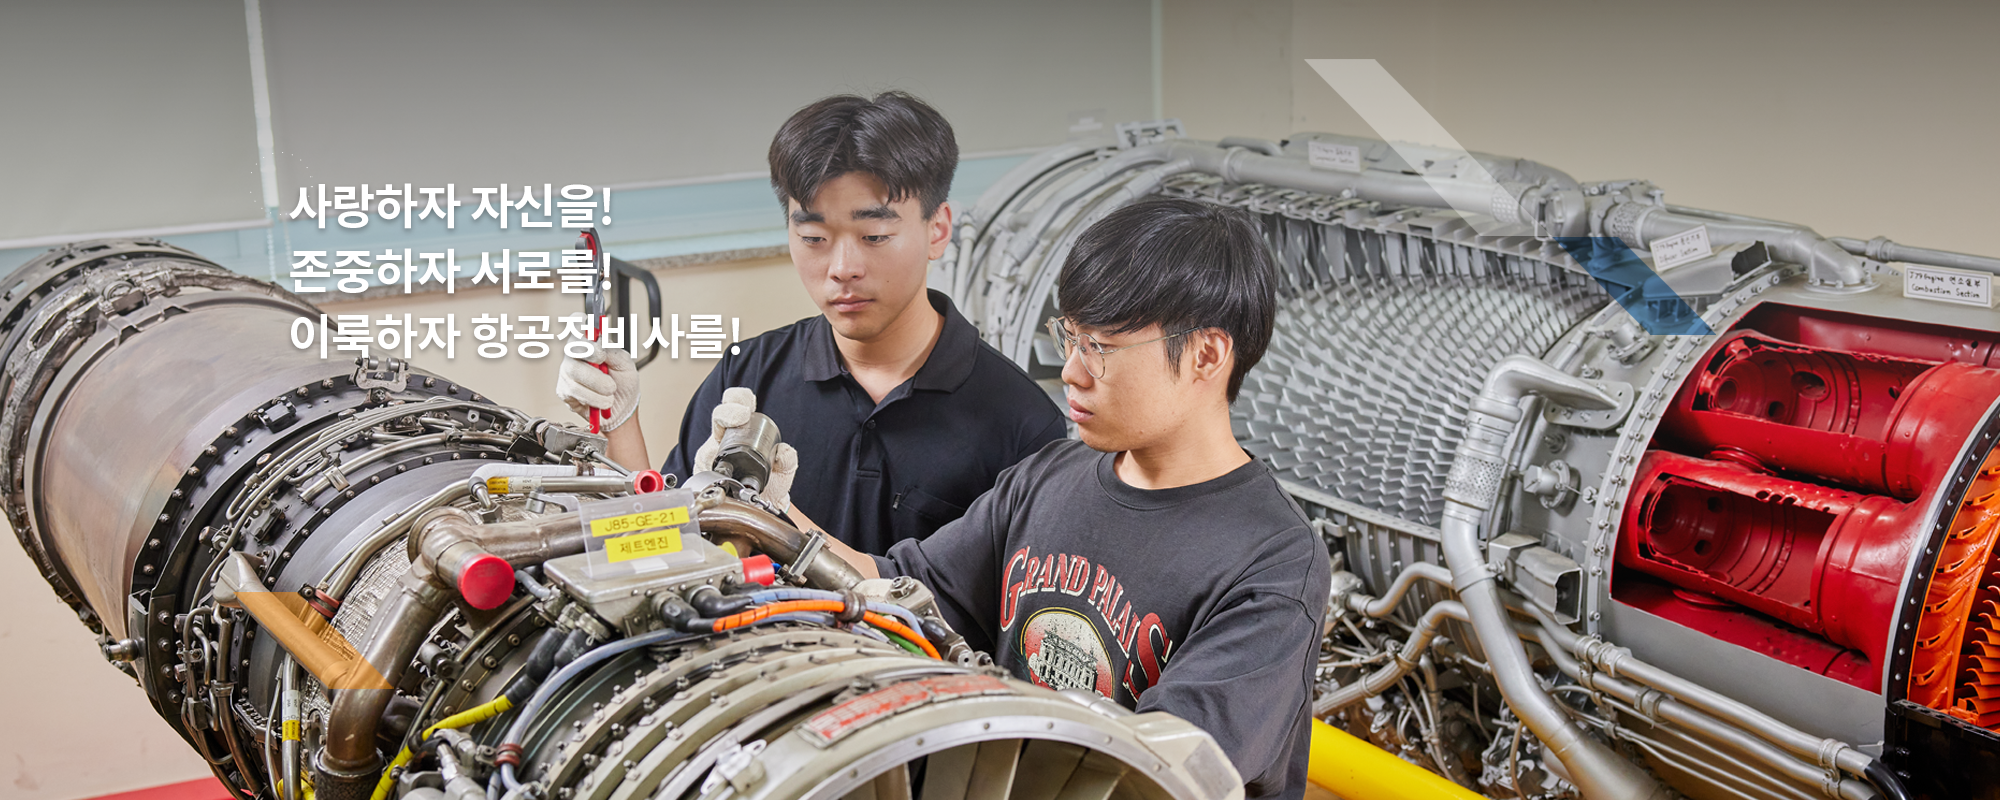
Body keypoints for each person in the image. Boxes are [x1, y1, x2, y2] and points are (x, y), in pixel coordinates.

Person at [821, 198, 1332, 800]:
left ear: (1206, 355)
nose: (1071, 371)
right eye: (1070, 336)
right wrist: (764, 518)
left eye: (1101, 347)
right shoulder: (1049, 476)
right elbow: (898, 590)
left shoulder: (1273, 563)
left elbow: (1152, 774)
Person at [556, 91, 1066, 555]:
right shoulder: (748, 375)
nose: (842, 268)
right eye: (814, 239)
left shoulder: (1020, 422)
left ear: (937, 230)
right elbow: (661, 544)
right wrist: (620, 422)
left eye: (874, 236)